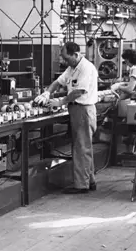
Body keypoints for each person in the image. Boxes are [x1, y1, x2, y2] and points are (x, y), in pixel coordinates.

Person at [34, 42, 98, 194]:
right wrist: (47, 93)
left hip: (83, 110)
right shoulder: (72, 68)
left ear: (76, 55)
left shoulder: (86, 68)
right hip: (76, 110)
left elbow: (79, 91)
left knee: (81, 148)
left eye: (66, 58)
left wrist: (60, 101)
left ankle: (81, 185)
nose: (64, 62)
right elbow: (58, 82)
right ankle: (89, 181)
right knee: (83, 147)